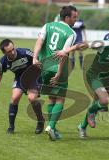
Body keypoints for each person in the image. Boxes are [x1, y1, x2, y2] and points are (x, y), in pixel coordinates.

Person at [33, 5, 78, 141]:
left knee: (52, 97)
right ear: (67, 17)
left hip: (44, 67)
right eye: (74, 17)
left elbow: (39, 42)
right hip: (57, 68)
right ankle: (51, 127)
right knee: (60, 99)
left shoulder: (47, 26)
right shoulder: (71, 33)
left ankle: (52, 126)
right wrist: (59, 73)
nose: (76, 20)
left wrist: (34, 58)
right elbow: (63, 54)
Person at [0, 39, 45, 134]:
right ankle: (11, 126)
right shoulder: (3, 62)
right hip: (20, 78)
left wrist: (39, 65)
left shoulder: (25, 52)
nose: (13, 52)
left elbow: (38, 57)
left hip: (33, 76)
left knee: (31, 98)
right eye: (9, 51)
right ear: (4, 53)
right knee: (14, 98)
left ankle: (40, 120)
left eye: (13, 49)